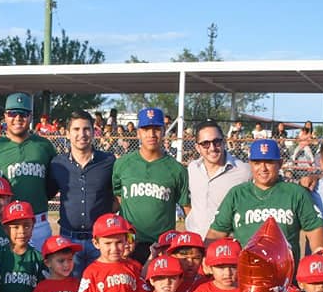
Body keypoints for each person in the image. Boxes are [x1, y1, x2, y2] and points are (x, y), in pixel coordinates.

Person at [207, 139, 323, 264]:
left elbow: (315, 230)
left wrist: (319, 259)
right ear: (250, 164)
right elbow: (216, 233)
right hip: (247, 274)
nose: (263, 168)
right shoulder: (237, 194)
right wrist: (207, 260)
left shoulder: (295, 193)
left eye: (269, 162)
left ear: (280, 163)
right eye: (257, 163)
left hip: (286, 276)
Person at [0, 93, 57, 253]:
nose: (18, 118)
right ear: (5, 116)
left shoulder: (44, 146)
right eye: (12, 113)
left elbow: (52, 184)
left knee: (42, 272)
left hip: (37, 223)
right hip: (5, 222)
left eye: (23, 114)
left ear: (30, 117)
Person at [112, 108, 190, 263]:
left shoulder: (177, 169)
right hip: (130, 242)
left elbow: (187, 209)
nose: (151, 134)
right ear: (138, 133)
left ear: (164, 131)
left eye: (156, 129)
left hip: (162, 245)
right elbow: (118, 200)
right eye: (146, 129)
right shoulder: (122, 164)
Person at [48, 110, 115, 277]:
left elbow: (119, 196)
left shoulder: (108, 161)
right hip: (69, 240)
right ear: (68, 133)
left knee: (101, 291)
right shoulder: (57, 164)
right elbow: (46, 193)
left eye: (86, 129)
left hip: (100, 241)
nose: (81, 134)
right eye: (76, 129)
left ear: (93, 131)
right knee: (71, 291)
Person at [185, 120, 252, 239]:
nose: (212, 148)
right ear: (197, 147)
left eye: (216, 142)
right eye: (205, 143)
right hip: (195, 243)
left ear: (224, 142)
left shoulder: (244, 171)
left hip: (225, 247)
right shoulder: (192, 168)